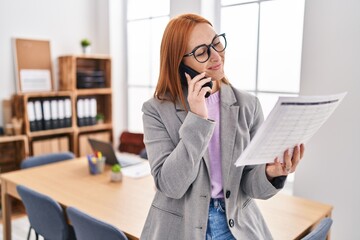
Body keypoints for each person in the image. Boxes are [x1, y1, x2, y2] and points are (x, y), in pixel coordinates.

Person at [141, 13, 305, 240]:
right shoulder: (156, 110)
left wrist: (271, 173)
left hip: (236, 225)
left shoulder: (248, 105)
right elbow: (170, 186)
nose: (216, 55)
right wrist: (197, 118)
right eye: (201, 52)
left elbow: (249, 184)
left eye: (216, 43)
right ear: (180, 63)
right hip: (180, 228)